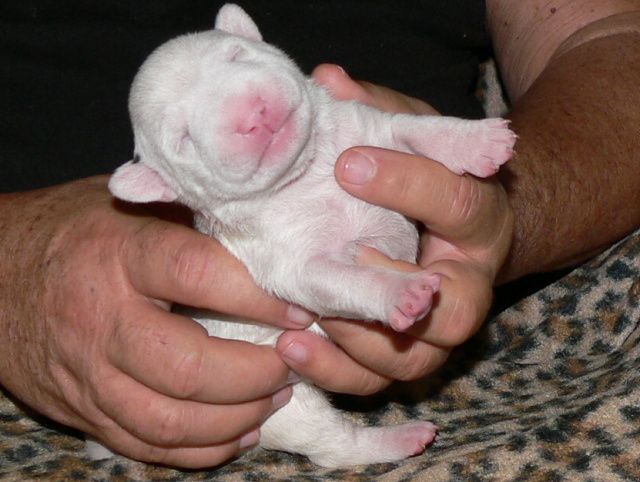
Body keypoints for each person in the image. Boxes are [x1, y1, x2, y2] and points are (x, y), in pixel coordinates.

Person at [1, 0, 640, 470]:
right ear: (159, 185)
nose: (246, 108)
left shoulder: (328, 113)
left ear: (251, 37)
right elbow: (309, 278)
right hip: (194, 395)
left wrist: (497, 187)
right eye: (187, 136)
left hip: (503, 325)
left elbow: (397, 131)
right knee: (282, 398)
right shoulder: (255, 223)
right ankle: (340, 446)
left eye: (236, 60)